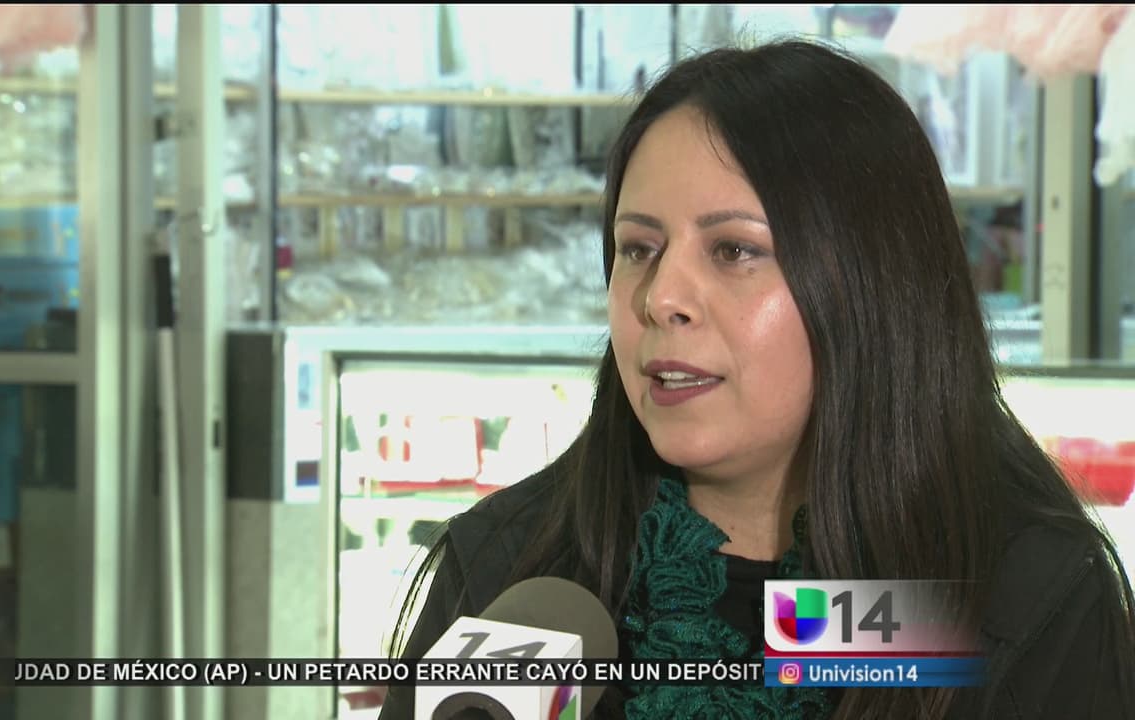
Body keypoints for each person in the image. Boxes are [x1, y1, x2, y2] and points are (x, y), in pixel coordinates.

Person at [379, 40, 1135, 719]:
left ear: (871, 285)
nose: (661, 298)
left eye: (734, 250)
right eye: (639, 249)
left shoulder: (1023, 599)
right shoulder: (508, 573)